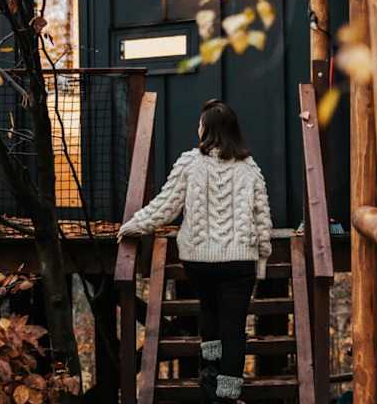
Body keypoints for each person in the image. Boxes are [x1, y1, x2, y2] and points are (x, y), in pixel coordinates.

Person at [117, 99, 273, 403]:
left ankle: (210, 376)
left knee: (209, 310)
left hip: (198, 260)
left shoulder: (189, 163)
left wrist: (134, 225)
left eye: (200, 123)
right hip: (239, 261)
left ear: (206, 129)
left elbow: (165, 205)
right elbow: (262, 218)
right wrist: (263, 258)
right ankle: (227, 397)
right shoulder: (249, 168)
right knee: (234, 328)